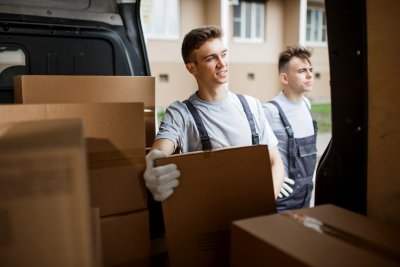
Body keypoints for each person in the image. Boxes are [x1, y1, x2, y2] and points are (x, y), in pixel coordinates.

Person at [143, 25, 285, 202]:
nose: (222, 63)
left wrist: (265, 201)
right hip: (211, 213)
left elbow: (275, 162)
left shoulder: (252, 105)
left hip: (255, 209)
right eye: (211, 58)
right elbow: (161, 149)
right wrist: (154, 163)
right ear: (192, 68)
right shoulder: (180, 113)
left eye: (224, 54)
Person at [263, 45, 318, 212]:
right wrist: (270, 180)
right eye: (302, 71)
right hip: (283, 199)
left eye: (310, 69)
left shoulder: (307, 104)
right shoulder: (270, 111)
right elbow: (251, 152)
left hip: (306, 194)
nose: (309, 75)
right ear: (285, 78)